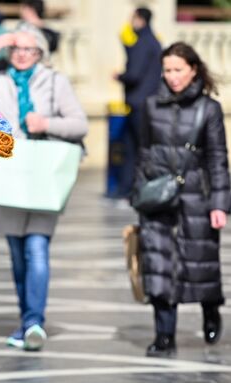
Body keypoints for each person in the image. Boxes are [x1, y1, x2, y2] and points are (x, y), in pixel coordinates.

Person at [0, 24, 88, 351]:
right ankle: (26, 317)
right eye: (16, 49)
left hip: (44, 172)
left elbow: (80, 123)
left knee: (37, 248)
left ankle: (34, 322)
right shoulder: (0, 81)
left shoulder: (56, 81)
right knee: (17, 254)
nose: (22, 55)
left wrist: (46, 123)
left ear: (41, 53)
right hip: (9, 174)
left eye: (29, 49)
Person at [134, 42, 230, 358]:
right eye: (167, 70)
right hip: (157, 196)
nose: (172, 76)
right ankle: (164, 335)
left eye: (178, 69)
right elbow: (143, 152)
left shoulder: (209, 109)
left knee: (201, 263)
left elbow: (217, 158)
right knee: (159, 265)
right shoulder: (150, 105)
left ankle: (211, 306)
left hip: (195, 196)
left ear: (193, 70)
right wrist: (140, 192)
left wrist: (219, 203)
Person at [114, 7, 162, 199]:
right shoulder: (154, 42)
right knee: (140, 147)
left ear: (140, 19)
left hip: (139, 104)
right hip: (148, 102)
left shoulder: (143, 43)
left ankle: (130, 189)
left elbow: (134, 74)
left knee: (134, 149)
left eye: (133, 18)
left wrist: (120, 76)